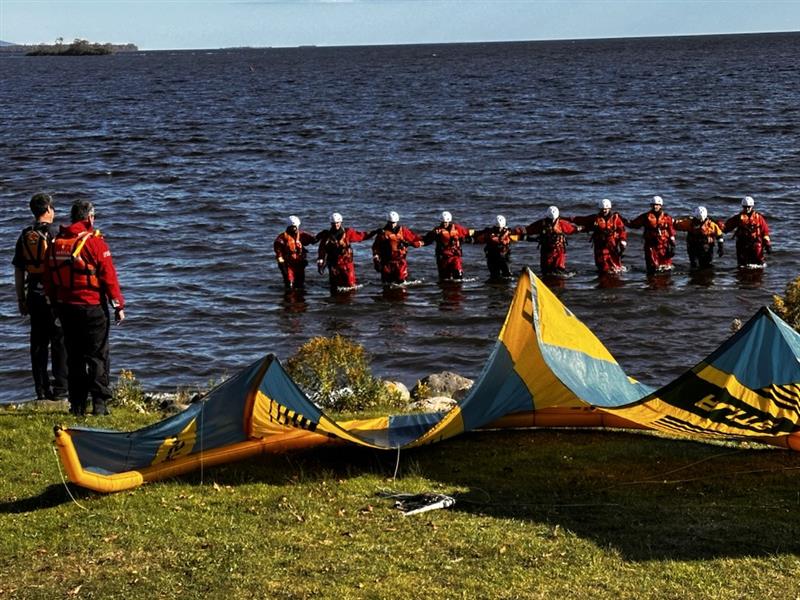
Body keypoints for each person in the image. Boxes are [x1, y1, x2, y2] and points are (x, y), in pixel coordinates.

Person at [44, 200, 125, 416]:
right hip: (92, 307)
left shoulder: (55, 243)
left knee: (74, 356)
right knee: (97, 355)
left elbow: (49, 279)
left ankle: (77, 405)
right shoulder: (94, 243)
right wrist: (118, 305)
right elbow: (109, 277)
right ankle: (99, 404)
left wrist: (54, 305)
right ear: (89, 218)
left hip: (65, 307)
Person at [12, 193, 68, 401]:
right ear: (49, 210)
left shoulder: (25, 235)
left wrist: (21, 299)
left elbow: (19, 270)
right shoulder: (56, 234)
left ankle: (41, 390)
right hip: (53, 294)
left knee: (38, 344)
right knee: (60, 341)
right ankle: (61, 389)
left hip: (33, 294)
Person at [316, 212, 372, 290]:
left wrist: (374, 232)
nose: (336, 225)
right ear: (331, 223)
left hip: (347, 263)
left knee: (350, 285)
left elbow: (361, 236)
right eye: (333, 223)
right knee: (334, 287)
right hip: (333, 264)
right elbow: (322, 250)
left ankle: (350, 301)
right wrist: (320, 263)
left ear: (341, 222)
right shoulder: (326, 236)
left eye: (337, 223)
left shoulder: (348, 233)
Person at [571, 198, 628, 274]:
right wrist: (567, 220)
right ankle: (603, 279)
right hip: (600, 245)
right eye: (602, 209)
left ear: (609, 208)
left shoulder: (615, 219)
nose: (604, 211)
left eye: (605, 209)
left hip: (612, 245)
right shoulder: (595, 218)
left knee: (616, 266)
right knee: (603, 267)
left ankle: (615, 281)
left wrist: (622, 239)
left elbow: (622, 230)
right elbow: (581, 219)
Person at [522, 206, 581, 276]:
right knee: (555, 272)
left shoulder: (542, 224)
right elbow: (572, 229)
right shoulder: (560, 224)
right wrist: (580, 228)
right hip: (551, 252)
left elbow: (527, 230)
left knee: (550, 272)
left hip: (554, 252)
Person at [627, 196, 677, 275]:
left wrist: (673, 245)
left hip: (664, 245)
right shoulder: (646, 217)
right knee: (651, 268)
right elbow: (634, 224)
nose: (655, 206)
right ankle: (651, 283)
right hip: (651, 245)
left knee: (666, 267)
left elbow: (671, 231)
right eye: (653, 205)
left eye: (657, 205)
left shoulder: (667, 217)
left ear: (660, 205)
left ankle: (665, 284)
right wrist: (623, 221)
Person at [371, 211, 424, 285]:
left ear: (397, 221)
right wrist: (376, 261)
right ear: (388, 221)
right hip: (387, 262)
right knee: (387, 285)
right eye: (390, 223)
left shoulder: (403, 231)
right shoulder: (382, 234)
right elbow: (375, 248)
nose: (392, 225)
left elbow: (416, 240)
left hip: (400, 262)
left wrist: (410, 243)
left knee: (401, 284)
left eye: (394, 223)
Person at [422, 211, 473, 281]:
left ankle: (458, 290)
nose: (445, 224)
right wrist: (418, 242)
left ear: (449, 221)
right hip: (443, 258)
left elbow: (468, 233)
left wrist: (470, 239)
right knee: (444, 279)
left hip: (455, 256)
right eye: (443, 222)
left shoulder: (457, 228)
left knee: (458, 276)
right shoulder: (437, 231)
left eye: (446, 222)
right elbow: (427, 239)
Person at [470, 215, 523, 280]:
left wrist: (527, 236)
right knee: (495, 275)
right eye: (498, 228)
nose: (499, 230)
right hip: (492, 258)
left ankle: (503, 287)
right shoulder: (489, 233)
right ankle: (495, 287)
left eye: (500, 228)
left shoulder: (507, 232)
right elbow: (495, 239)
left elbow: (517, 236)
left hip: (503, 257)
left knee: (507, 275)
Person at [724, 196, 771, 268]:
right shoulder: (738, 218)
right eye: (745, 207)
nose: (747, 209)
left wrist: (767, 244)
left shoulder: (758, 218)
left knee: (759, 265)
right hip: (742, 245)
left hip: (755, 244)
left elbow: (765, 231)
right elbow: (726, 227)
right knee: (742, 266)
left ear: (752, 206)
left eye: (749, 207)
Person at [273, 215, 317, 290]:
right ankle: (289, 299)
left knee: (300, 284)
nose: (295, 229)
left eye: (296, 227)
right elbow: (278, 252)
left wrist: (322, 235)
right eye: (293, 227)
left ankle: (300, 300)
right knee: (289, 284)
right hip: (288, 264)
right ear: (289, 227)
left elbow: (313, 240)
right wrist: (282, 265)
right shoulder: (282, 238)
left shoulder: (302, 235)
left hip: (300, 263)